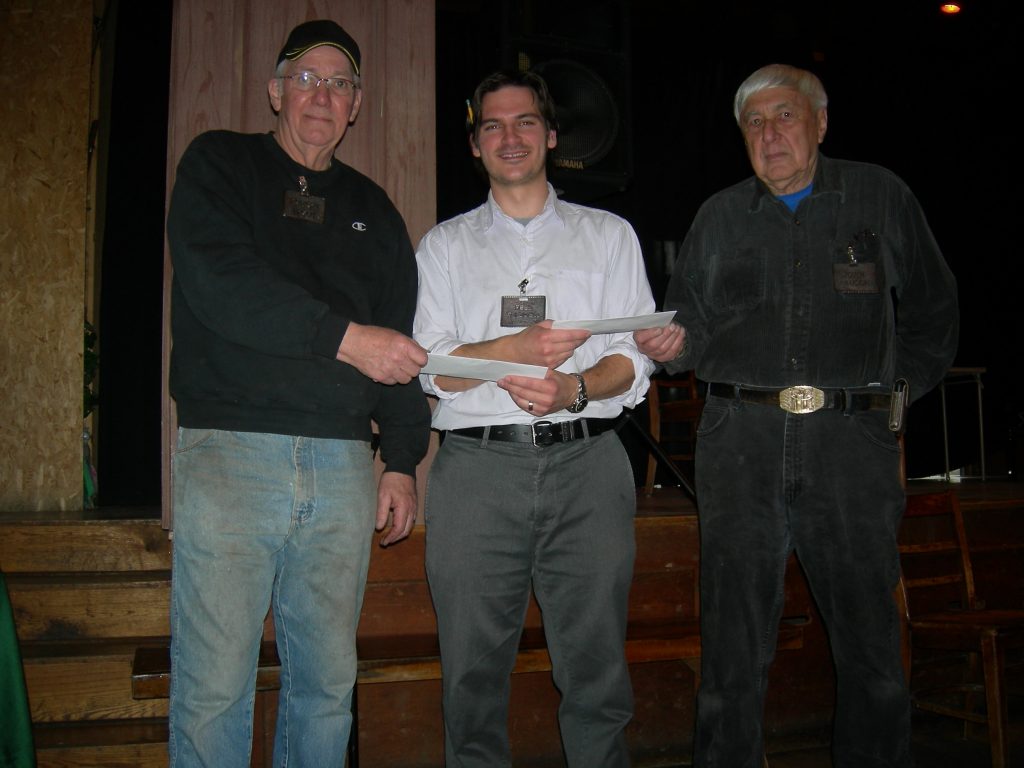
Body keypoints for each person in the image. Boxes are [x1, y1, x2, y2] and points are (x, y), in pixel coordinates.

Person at [635, 63, 958, 767]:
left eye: (785, 116)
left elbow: (935, 313)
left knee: (872, 651)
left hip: (850, 448)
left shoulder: (880, 196)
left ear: (820, 122)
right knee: (730, 652)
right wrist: (672, 344)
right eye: (754, 122)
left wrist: (890, 400)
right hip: (739, 449)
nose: (769, 133)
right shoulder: (719, 216)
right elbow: (689, 326)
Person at [165, 19, 431, 767]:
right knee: (215, 686)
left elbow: (399, 341)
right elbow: (223, 286)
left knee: (327, 684)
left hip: (345, 464)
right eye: (307, 77)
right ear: (277, 91)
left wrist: (403, 460)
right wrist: (347, 339)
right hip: (232, 453)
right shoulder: (220, 164)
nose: (323, 93)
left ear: (355, 107)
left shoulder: (375, 212)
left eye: (339, 82)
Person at [414, 69, 658, 767]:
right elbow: (434, 367)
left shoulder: (609, 236)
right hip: (476, 473)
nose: (510, 136)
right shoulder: (444, 246)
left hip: (589, 466)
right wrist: (513, 351)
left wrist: (574, 389)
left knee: (596, 671)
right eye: (492, 125)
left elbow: (631, 361)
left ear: (551, 136)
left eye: (525, 122)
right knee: (470, 675)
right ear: (475, 144)